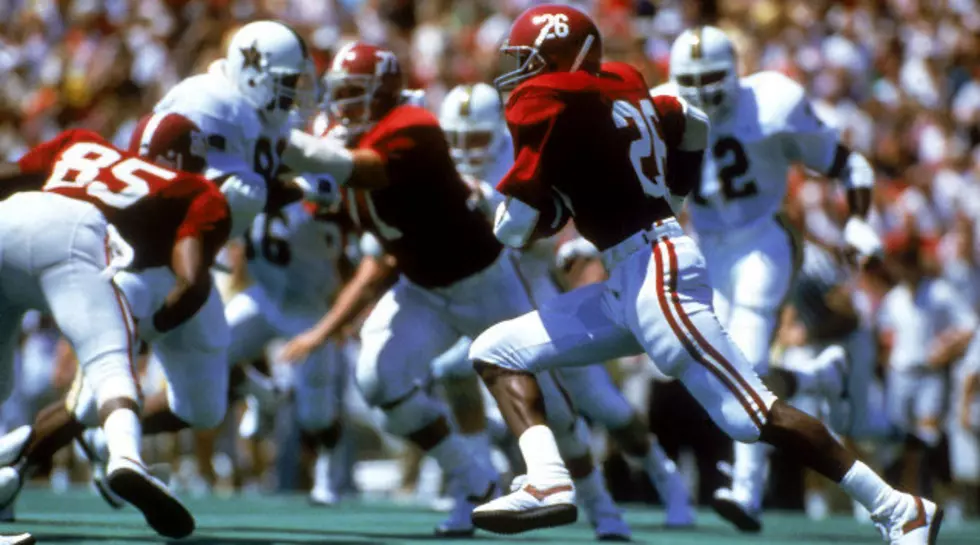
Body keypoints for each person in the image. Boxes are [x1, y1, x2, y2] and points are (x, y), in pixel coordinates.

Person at [466, 5, 942, 544]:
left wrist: (502, 212)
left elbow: (515, 228)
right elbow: (690, 120)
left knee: (749, 415)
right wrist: (671, 195)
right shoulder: (619, 80)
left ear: (558, 60)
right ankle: (550, 481)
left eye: (530, 61)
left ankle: (899, 508)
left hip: (655, 269)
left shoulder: (547, 101)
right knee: (495, 350)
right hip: (633, 271)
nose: (522, 73)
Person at [278, 42, 629, 539]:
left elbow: (363, 170)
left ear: (385, 92)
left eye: (354, 93)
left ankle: (600, 505)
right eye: (339, 94)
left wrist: (285, 143)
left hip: (485, 283)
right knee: (379, 380)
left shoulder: (414, 127)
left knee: (550, 402)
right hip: (422, 288)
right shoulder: (344, 140)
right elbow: (322, 193)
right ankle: (475, 479)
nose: (343, 105)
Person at [651, 25, 884, 531]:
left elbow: (848, 162)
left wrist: (861, 222)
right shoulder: (662, 106)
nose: (703, 90)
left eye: (712, 77)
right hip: (704, 247)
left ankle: (746, 490)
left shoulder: (773, 102)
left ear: (736, 71)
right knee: (707, 372)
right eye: (690, 78)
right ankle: (816, 378)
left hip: (762, 238)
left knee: (748, 360)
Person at [437, 82, 695, 527]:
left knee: (604, 407)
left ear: (496, 136)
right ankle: (476, 486)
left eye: (475, 138)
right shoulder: (439, 171)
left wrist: (495, 212)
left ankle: (661, 479)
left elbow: (539, 245)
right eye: (456, 139)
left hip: (539, 302)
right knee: (452, 371)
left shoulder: (519, 159)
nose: (465, 150)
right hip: (485, 308)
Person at [0, 128, 232, 538]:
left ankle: (8, 479)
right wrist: (152, 331)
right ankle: (125, 457)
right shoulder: (196, 190)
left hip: (12, 215)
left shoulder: (80, 141)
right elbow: (192, 282)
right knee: (112, 368)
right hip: (84, 241)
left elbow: (11, 174)